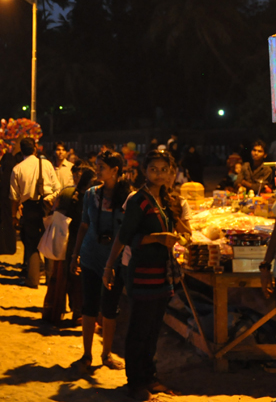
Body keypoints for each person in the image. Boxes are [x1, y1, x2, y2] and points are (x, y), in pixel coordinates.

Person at [103, 149, 181, 400]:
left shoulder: (166, 199)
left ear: (171, 172)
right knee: (139, 330)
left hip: (162, 274)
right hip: (142, 275)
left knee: (153, 330)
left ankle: (149, 377)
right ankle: (135, 383)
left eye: (164, 169)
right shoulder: (139, 200)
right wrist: (108, 267)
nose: (159, 174)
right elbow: (126, 237)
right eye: (153, 169)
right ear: (145, 172)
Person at [69, 152, 128, 370]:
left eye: (101, 167)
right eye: (97, 166)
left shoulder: (127, 197)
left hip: (116, 260)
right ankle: (86, 355)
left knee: (111, 308)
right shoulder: (91, 194)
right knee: (89, 306)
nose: (97, 170)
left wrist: (113, 264)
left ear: (115, 171)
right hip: (91, 255)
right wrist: (75, 255)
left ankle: (106, 354)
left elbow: (126, 232)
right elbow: (84, 224)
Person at [43, 162, 91, 326]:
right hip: (79, 242)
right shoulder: (90, 195)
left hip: (67, 242)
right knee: (77, 281)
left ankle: (59, 310)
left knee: (64, 278)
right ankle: (77, 312)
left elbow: (55, 212)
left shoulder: (68, 193)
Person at [10, 137, 61, 288]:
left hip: (29, 208)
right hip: (47, 207)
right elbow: (57, 187)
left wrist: (14, 216)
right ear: (35, 148)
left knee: (32, 244)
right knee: (48, 244)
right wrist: (50, 199)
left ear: (21, 150)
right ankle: (50, 279)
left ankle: (33, 280)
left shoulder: (17, 168)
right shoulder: (46, 164)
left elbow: (14, 197)